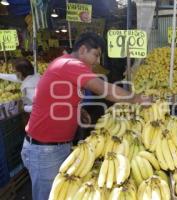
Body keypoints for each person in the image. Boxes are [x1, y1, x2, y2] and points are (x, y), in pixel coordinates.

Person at [21, 32, 150, 200]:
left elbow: (61, 93)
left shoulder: (65, 64)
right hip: (45, 150)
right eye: (95, 55)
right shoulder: (70, 64)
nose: (97, 61)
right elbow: (105, 90)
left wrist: (77, 110)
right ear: (82, 50)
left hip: (54, 147)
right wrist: (137, 98)